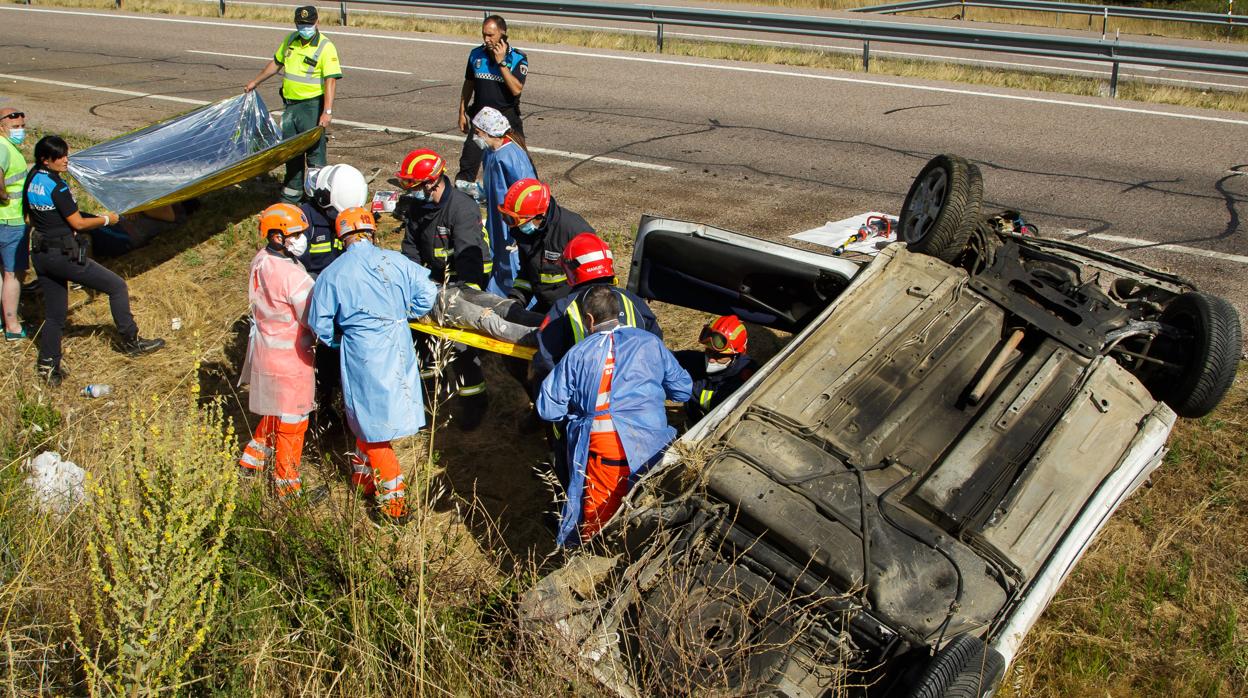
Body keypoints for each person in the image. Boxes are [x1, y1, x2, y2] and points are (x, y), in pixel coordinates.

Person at [307, 207, 438, 523]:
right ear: (372, 232)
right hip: (398, 344)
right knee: (372, 421)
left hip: (363, 352)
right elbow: (428, 291)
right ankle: (363, 479)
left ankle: (394, 506)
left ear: (341, 238)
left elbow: (319, 322)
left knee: (371, 425)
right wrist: (406, 312)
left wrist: (339, 339)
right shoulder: (394, 261)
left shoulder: (334, 274)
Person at [537, 286, 691, 546]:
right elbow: (683, 389)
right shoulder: (649, 342)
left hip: (607, 452)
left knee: (600, 528)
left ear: (589, 320)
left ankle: (593, 564)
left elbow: (548, 408)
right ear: (619, 313)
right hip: (655, 447)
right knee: (651, 508)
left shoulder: (578, 354)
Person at [23, 135, 165, 387]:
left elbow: (29, 218)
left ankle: (48, 364)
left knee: (55, 314)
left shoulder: (32, 178)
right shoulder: (58, 187)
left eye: (66, 154)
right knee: (117, 286)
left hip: (41, 254)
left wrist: (54, 228)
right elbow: (78, 222)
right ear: (47, 160)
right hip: (63, 256)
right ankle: (131, 341)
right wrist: (107, 219)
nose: (66, 160)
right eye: (61, 157)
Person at [396, 147, 494, 429]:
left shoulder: (461, 209)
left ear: (431, 183)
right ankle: (429, 401)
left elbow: (469, 258)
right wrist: (414, 285)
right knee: (421, 342)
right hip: (433, 283)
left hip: (465, 281)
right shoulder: (419, 207)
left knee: (460, 346)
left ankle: (474, 403)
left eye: (411, 185)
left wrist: (457, 295)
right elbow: (411, 250)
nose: (408, 191)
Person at [237, 204, 321, 500]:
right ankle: (287, 487)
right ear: (276, 237)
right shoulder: (292, 276)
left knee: (274, 407)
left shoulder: (261, 261)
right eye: (294, 234)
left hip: (265, 350)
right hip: (292, 359)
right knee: (294, 420)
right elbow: (313, 316)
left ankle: (253, 458)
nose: (301, 239)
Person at [244, 5, 342, 203]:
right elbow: (276, 63)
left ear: (317, 22)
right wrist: (256, 81)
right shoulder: (290, 40)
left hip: (311, 107)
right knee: (291, 150)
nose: (304, 28)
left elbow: (330, 80)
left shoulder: (325, 46)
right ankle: (292, 193)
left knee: (314, 154)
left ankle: (316, 197)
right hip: (290, 106)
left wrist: (327, 111)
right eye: (301, 24)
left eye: (308, 24)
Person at [533, 233, 661, 381]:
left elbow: (544, 359)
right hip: (637, 391)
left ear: (573, 269)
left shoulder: (563, 308)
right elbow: (656, 344)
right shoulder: (633, 301)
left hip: (586, 397)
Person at [498, 177, 595, 314]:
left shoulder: (575, 231)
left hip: (575, 311)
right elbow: (527, 273)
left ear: (540, 215)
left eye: (522, 222)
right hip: (547, 306)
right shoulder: (525, 232)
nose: (518, 227)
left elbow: (596, 288)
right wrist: (516, 301)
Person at [456, 14, 528, 196]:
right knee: (468, 161)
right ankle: (461, 200)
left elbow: (516, 89)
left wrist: (501, 62)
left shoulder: (518, 58)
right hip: (481, 119)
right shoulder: (475, 55)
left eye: (491, 35)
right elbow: (469, 84)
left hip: (507, 118)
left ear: (502, 34)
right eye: (484, 35)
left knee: (520, 161)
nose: (487, 39)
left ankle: (525, 199)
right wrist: (462, 111)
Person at [473, 107, 535, 296]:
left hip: (512, 221)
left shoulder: (510, 156)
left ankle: (516, 299)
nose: (475, 137)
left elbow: (527, 191)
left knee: (511, 261)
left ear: (489, 132)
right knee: (499, 256)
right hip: (497, 219)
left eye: (477, 133)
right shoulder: (491, 153)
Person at [674, 315, 757, 424]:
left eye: (719, 356)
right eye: (709, 352)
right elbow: (671, 358)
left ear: (735, 355)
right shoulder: (701, 360)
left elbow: (717, 403)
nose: (711, 360)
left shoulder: (745, 378)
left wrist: (682, 386)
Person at [298, 164, 367, 278]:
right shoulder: (304, 219)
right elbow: (295, 269)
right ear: (323, 198)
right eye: (335, 213)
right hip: (312, 279)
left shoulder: (357, 216)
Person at [0, 107, 29, 340]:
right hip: (10, 220)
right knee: (13, 274)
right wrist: (3, 195)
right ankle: (13, 326)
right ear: (2, 127)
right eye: (15, 127)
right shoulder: (3, 147)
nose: (20, 131)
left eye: (21, 126)